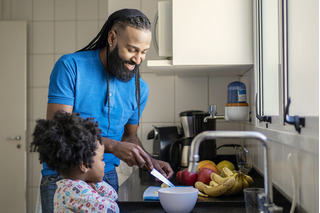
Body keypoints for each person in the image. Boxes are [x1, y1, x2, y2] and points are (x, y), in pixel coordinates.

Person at [40, 8, 174, 212]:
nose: (138, 59)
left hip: (105, 177)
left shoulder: (140, 88)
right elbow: (58, 131)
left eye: (144, 52)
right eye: (132, 49)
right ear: (112, 37)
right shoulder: (70, 67)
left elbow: (130, 137)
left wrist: (149, 161)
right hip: (63, 177)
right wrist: (112, 146)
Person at [31, 111, 120, 213]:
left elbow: (113, 195)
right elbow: (112, 209)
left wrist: (96, 183)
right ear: (84, 165)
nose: (104, 163)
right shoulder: (76, 191)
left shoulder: (68, 186)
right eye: (101, 159)